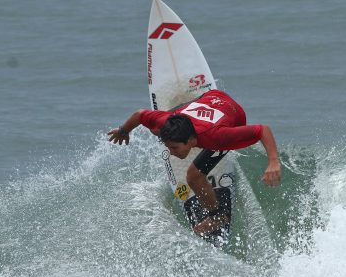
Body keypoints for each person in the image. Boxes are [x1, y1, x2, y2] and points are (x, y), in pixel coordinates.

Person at [108, 89, 281, 235]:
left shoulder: (218, 136)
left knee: (193, 176)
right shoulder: (167, 121)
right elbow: (140, 114)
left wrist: (273, 161)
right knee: (156, 129)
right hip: (211, 96)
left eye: (175, 148)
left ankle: (218, 216)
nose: (171, 153)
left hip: (233, 114)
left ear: (192, 141)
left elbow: (262, 130)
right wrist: (123, 131)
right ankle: (176, 125)